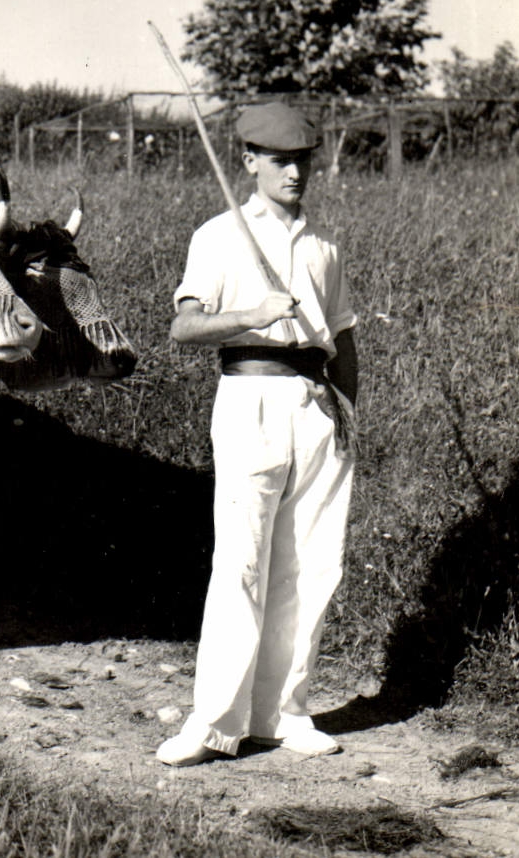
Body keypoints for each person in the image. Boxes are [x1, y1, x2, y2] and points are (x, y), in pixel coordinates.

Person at [157, 101, 359, 767]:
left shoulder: (325, 250)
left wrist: (349, 412)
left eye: (303, 160)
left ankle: (285, 714)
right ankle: (214, 724)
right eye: (280, 161)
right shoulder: (219, 235)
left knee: (312, 564)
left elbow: (345, 339)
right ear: (249, 161)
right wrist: (253, 313)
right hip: (249, 399)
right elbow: (185, 327)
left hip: (318, 408)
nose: (296, 172)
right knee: (241, 563)